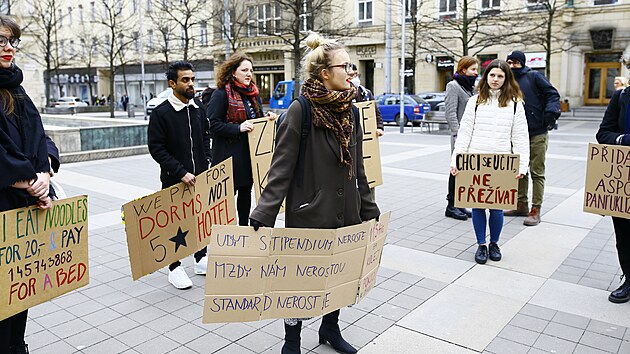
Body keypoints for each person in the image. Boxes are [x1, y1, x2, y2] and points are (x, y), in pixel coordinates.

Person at [249, 32, 380, 354]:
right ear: (324, 72)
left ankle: (329, 329)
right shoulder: (300, 110)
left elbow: (358, 168)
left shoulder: (350, 111)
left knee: (338, 276)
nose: (352, 72)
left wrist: (369, 207)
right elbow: (280, 169)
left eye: (352, 67)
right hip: (310, 212)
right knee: (299, 281)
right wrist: (264, 212)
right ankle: (291, 341)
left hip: (346, 211)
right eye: (346, 66)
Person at [0, 14, 54, 354]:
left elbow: (38, 135)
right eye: (0, 42)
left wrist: (45, 171)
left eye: (10, 41)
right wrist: (26, 179)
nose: (8, 48)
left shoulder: (15, 86)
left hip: (22, 207)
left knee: (19, 299)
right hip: (3, 203)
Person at [450, 59, 529, 264]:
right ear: (486, 77)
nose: (495, 80)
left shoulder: (515, 104)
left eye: (500, 76)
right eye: (492, 75)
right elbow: (465, 132)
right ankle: (481, 245)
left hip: (502, 160)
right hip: (476, 159)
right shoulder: (474, 101)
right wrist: (457, 159)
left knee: (496, 207)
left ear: (506, 79)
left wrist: (522, 165)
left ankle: (494, 243)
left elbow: (520, 136)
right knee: (477, 206)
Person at [147, 61, 212, 290]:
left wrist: (208, 159)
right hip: (175, 179)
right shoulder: (161, 113)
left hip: (199, 176)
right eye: (185, 80)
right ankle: (174, 268)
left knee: (198, 217)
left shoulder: (198, 108)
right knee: (175, 224)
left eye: (192, 79)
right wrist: (180, 171)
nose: (191, 83)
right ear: (172, 83)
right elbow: (157, 148)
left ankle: (200, 257)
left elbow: (205, 136)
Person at [207, 53, 277, 226]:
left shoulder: (253, 95)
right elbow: (213, 125)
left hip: (247, 158)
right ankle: (226, 238)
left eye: (251, 71)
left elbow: (256, 120)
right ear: (233, 72)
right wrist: (237, 128)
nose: (249, 74)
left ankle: (243, 235)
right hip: (227, 159)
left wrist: (266, 119)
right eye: (244, 70)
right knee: (226, 203)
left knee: (245, 198)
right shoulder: (221, 94)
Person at [504, 50, 560, 226]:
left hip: (537, 132)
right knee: (519, 171)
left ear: (522, 62)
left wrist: (550, 113)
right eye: (509, 62)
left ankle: (535, 209)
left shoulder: (533, 76)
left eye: (515, 62)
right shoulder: (507, 80)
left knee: (537, 172)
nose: (512, 66)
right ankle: (521, 204)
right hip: (516, 134)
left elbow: (552, 94)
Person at [595, 82, 630, 303]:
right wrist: (624, 140)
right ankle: (628, 278)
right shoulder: (621, 97)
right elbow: (603, 133)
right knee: (624, 235)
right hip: (623, 179)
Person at [444, 56, 478, 221]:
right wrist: (458, 134)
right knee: (455, 170)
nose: (476, 72)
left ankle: (460, 203)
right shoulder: (453, 86)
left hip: (471, 136)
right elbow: (450, 113)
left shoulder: (470, 87)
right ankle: (451, 206)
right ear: (463, 69)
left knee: (464, 169)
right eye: (473, 69)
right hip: (459, 136)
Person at [350, 64, 384, 137]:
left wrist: (379, 127)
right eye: (352, 75)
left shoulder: (366, 93)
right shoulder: (342, 94)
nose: (355, 78)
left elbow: (376, 112)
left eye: (356, 74)